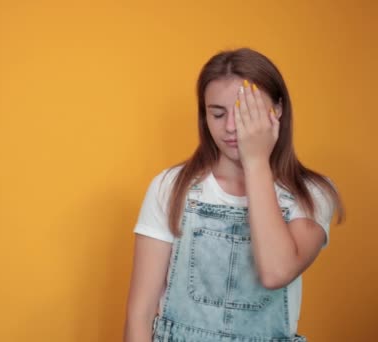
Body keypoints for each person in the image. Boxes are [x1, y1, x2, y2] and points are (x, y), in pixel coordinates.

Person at [123, 48, 344, 342]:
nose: (230, 127)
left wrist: (255, 162)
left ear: (277, 110)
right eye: (217, 113)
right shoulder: (171, 187)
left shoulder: (311, 194)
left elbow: (276, 272)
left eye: (244, 111)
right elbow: (140, 313)